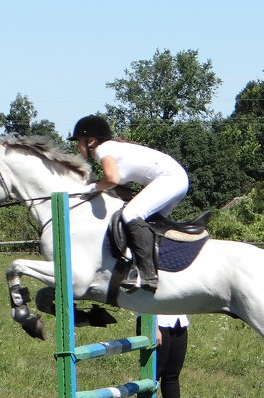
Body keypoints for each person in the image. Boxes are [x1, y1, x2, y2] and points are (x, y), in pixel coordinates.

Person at [69, 114, 189, 291]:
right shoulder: (114, 150)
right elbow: (120, 187)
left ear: (91, 140)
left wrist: (94, 187)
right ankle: (147, 269)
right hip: (176, 179)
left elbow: (111, 179)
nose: (78, 147)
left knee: (131, 214)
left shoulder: (104, 150)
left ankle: (147, 274)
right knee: (146, 223)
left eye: (79, 141)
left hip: (170, 179)